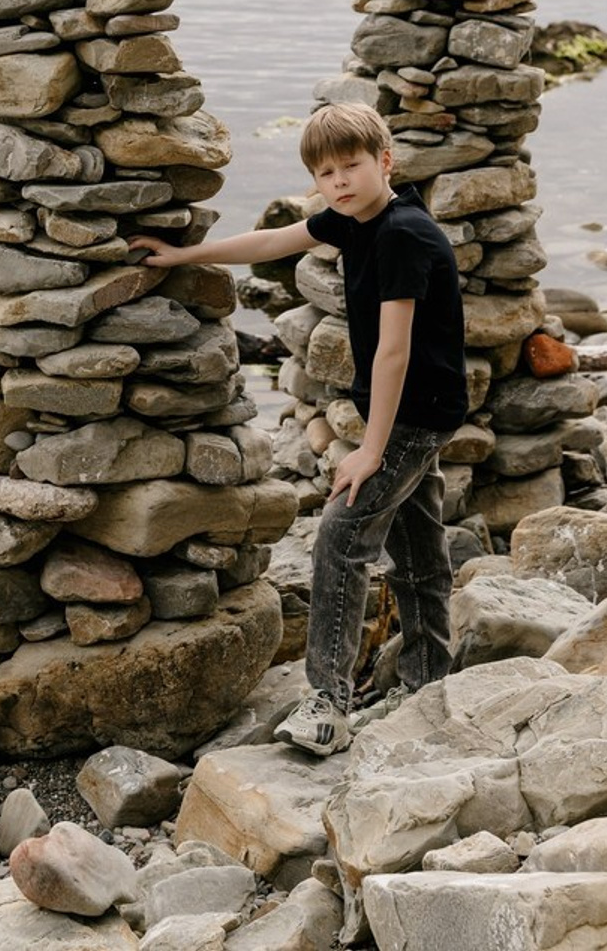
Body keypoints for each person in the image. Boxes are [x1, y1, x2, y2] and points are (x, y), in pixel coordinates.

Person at [129, 102, 467, 756]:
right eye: (326, 172)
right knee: (419, 551)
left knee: (341, 539)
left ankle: (327, 706)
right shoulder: (356, 219)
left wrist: (370, 450)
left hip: (411, 417)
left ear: (385, 162)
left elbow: (393, 350)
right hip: (417, 410)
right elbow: (273, 242)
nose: (339, 181)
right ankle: (429, 677)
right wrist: (184, 254)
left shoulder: (402, 234)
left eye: (352, 166)